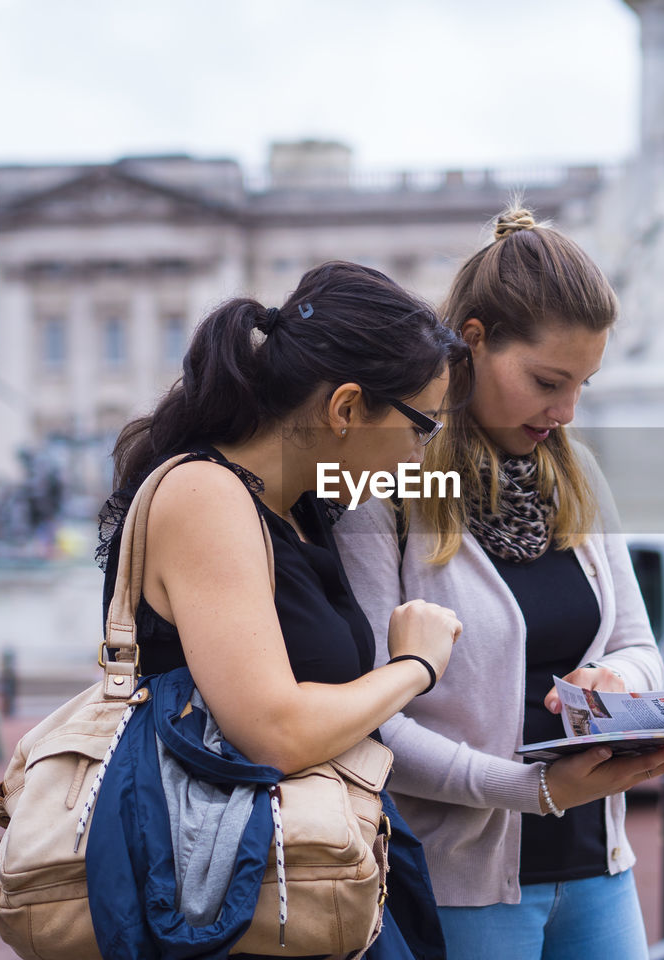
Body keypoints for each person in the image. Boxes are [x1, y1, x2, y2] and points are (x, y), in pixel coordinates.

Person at [334, 207, 664, 959]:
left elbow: (639, 644)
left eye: (584, 384)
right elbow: (370, 716)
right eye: (548, 381)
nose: (565, 413)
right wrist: (531, 791)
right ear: (475, 340)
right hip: (460, 884)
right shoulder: (383, 487)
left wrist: (615, 678)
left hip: (599, 868)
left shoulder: (580, 476)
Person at [96, 260, 466, 959]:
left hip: (291, 876)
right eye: (423, 427)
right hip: (228, 901)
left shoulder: (299, 509)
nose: (423, 456)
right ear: (347, 409)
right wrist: (415, 666)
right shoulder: (205, 498)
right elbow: (277, 732)